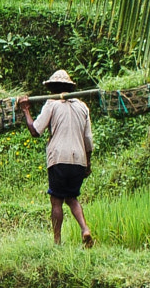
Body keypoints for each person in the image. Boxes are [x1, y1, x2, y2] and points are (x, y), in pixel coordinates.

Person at [17, 68, 94, 248]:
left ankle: (57, 242)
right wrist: (88, 164)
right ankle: (84, 229)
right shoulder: (82, 106)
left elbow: (35, 130)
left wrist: (26, 110)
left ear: (52, 88)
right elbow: (88, 140)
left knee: (56, 200)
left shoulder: (52, 104)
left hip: (59, 158)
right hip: (78, 160)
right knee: (72, 197)